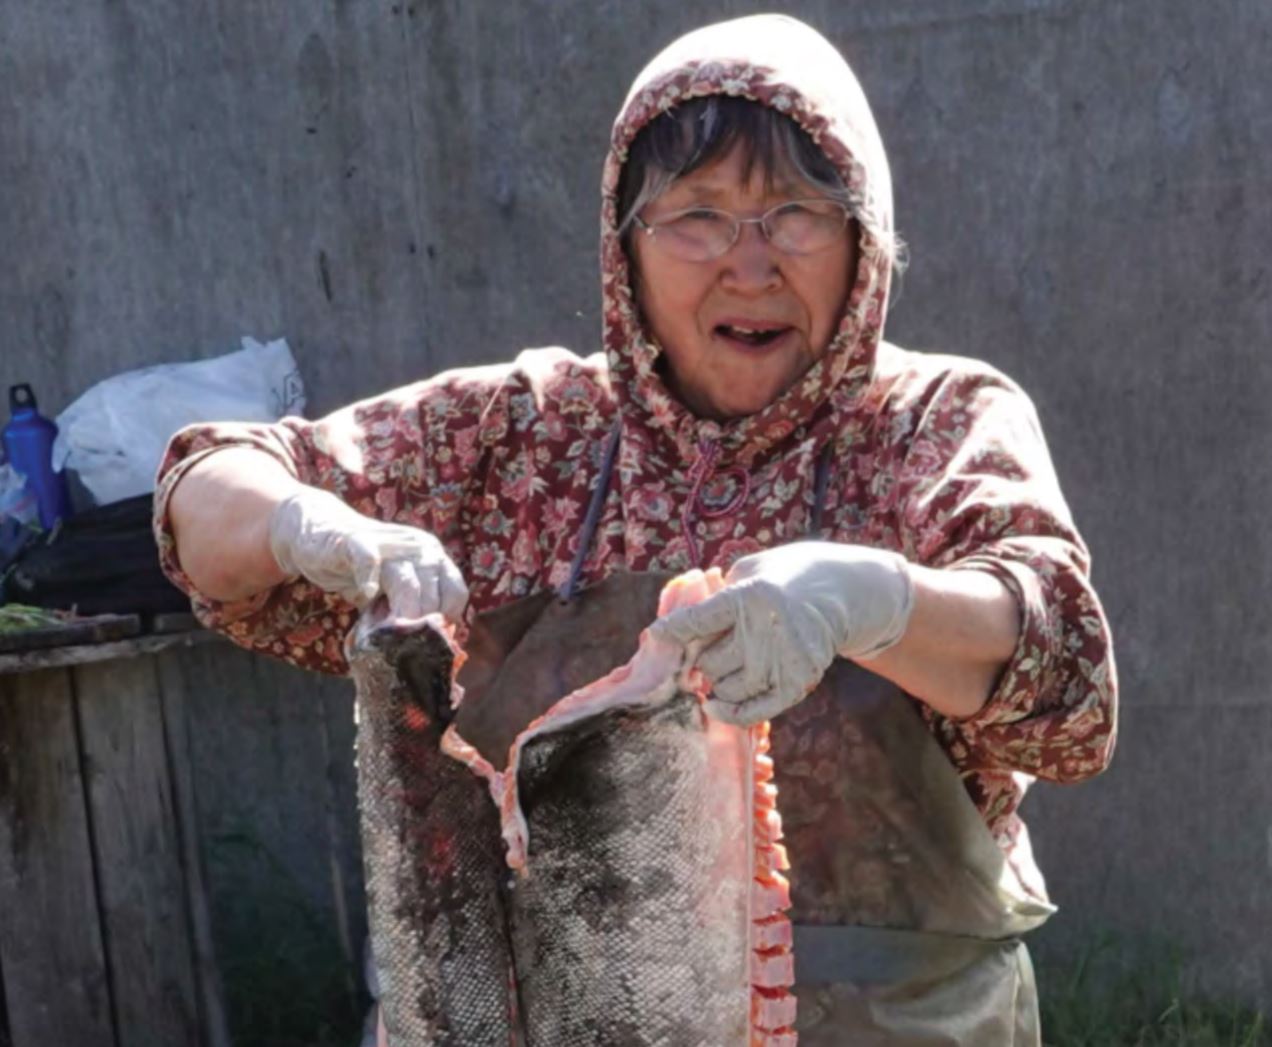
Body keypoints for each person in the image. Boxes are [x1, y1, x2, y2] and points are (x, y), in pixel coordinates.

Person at [157, 14, 1116, 1044]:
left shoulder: (934, 425)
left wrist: (874, 602)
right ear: (625, 246)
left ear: (864, 239)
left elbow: (1064, 675)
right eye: (697, 216)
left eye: (797, 212)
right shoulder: (523, 440)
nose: (751, 266)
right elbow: (201, 505)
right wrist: (307, 525)